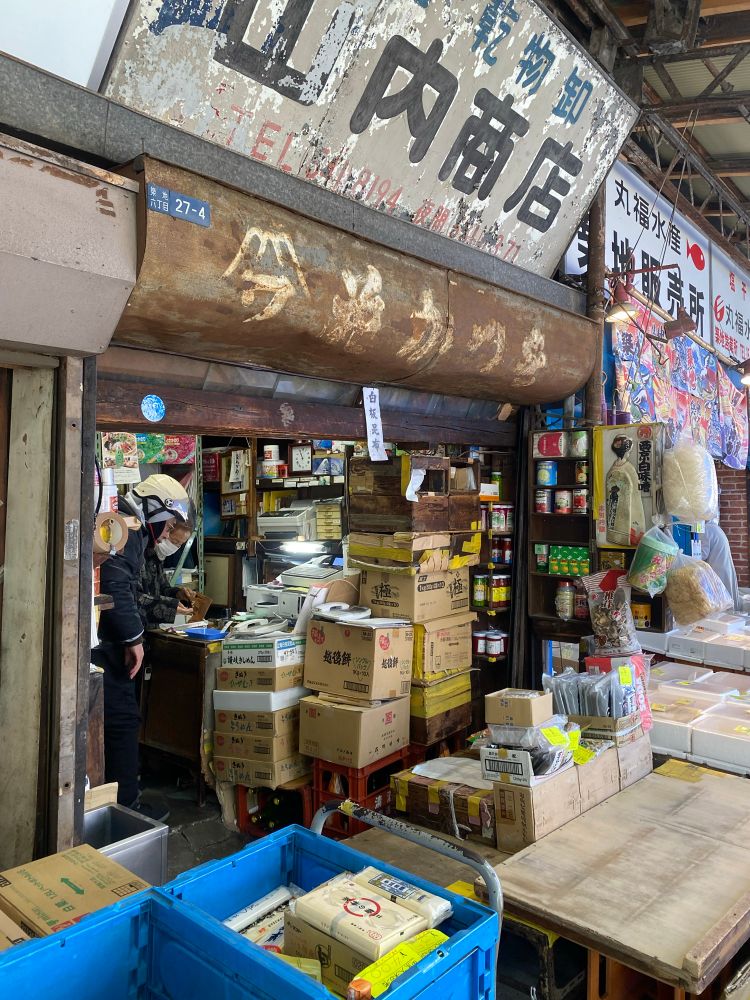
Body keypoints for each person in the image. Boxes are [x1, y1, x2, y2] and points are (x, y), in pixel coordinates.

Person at [93, 474, 193, 815]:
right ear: (155, 508)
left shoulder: (122, 522)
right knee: (121, 723)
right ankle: (125, 809)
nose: (167, 533)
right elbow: (116, 586)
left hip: (101, 642)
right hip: (105, 646)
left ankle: (113, 804)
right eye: (168, 525)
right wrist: (134, 638)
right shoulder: (129, 528)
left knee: (115, 723)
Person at [138, 519, 196, 629]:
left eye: (180, 544)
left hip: (151, 629)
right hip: (136, 629)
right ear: (164, 532)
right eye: (174, 541)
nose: (175, 547)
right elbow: (136, 599)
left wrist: (178, 593)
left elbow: (163, 588)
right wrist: (170, 608)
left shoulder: (158, 558)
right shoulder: (140, 556)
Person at [701, 519, 741, 612]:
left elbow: (702, 554)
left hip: (718, 571)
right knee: (727, 602)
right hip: (723, 568)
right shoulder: (715, 528)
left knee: (721, 606)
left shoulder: (706, 530)